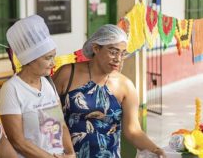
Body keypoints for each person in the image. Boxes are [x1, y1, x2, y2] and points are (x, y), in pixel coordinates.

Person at [52, 24, 166, 158]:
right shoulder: (67, 74)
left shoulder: (126, 86)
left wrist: (156, 150)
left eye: (122, 53)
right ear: (96, 48)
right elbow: (49, 116)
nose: (118, 59)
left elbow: (133, 130)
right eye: (113, 52)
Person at [0, 15, 76, 158]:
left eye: (53, 56)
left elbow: (61, 124)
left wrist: (70, 152)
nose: (53, 63)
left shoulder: (48, 84)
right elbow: (18, 142)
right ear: (30, 59)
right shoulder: (12, 89)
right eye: (48, 58)